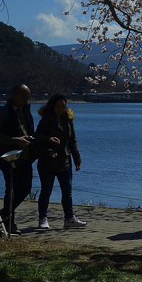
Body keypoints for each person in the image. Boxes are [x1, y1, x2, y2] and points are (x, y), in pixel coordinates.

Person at [0, 84, 39, 234]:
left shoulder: (26, 111)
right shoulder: (1, 112)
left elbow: (31, 131)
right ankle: (9, 223)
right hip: (8, 158)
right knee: (10, 189)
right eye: (24, 97)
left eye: (28, 98)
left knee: (25, 189)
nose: (26, 100)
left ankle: (4, 213)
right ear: (14, 95)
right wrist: (16, 140)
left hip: (26, 157)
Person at [35, 94, 87, 230]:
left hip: (64, 161)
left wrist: (77, 159)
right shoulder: (45, 121)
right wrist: (49, 151)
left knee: (67, 191)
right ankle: (43, 218)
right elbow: (37, 141)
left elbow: (72, 141)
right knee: (46, 190)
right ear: (52, 107)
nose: (60, 109)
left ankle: (69, 218)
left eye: (63, 106)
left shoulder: (68, 121)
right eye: (58, 106)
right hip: (47, 163)